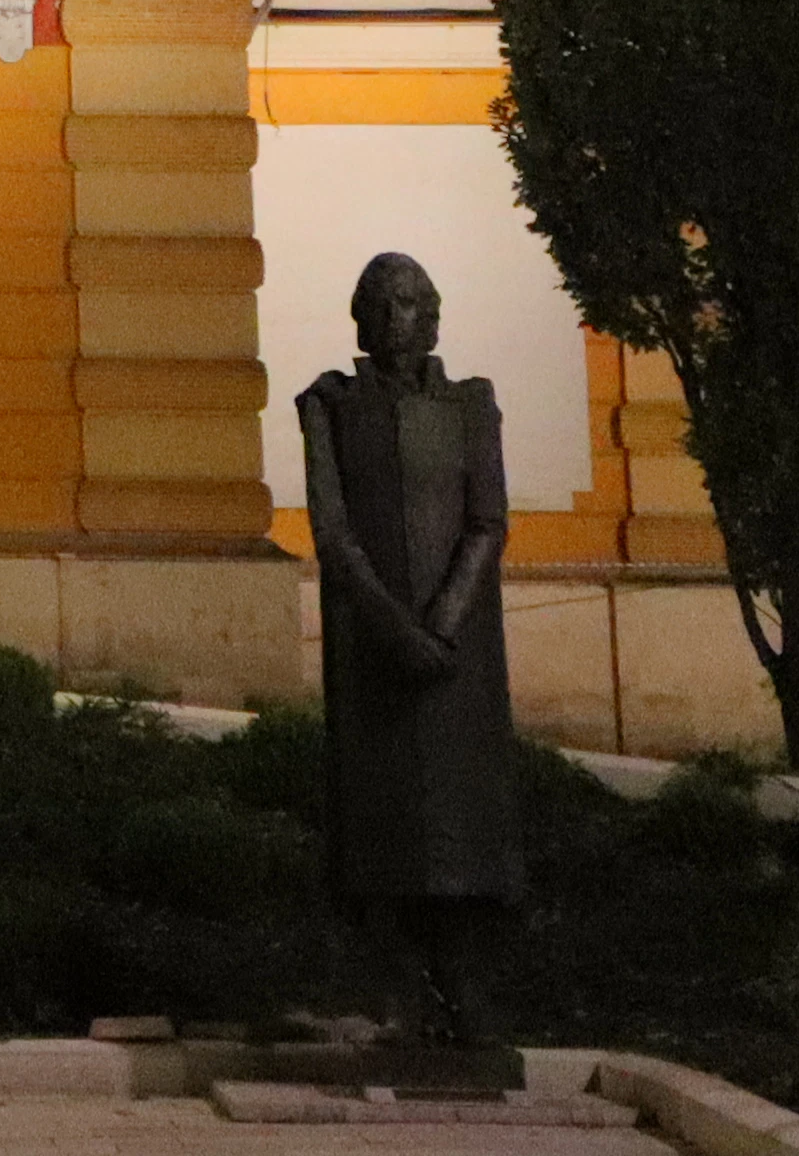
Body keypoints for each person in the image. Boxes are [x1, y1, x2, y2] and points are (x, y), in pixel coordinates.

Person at [298, 255, 526, 1039]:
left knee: (461, 828)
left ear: (435, 318)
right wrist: (394, 630)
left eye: (415, 304)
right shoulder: (330, 407)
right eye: (386, 305)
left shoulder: (471, 406)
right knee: (381, 826)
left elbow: (488, 521)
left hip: (456, 661)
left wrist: (443, 626)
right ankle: (394, 988)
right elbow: (332, 530)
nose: (402, 319)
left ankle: (465, 985)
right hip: (375, 653)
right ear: (361, 317)